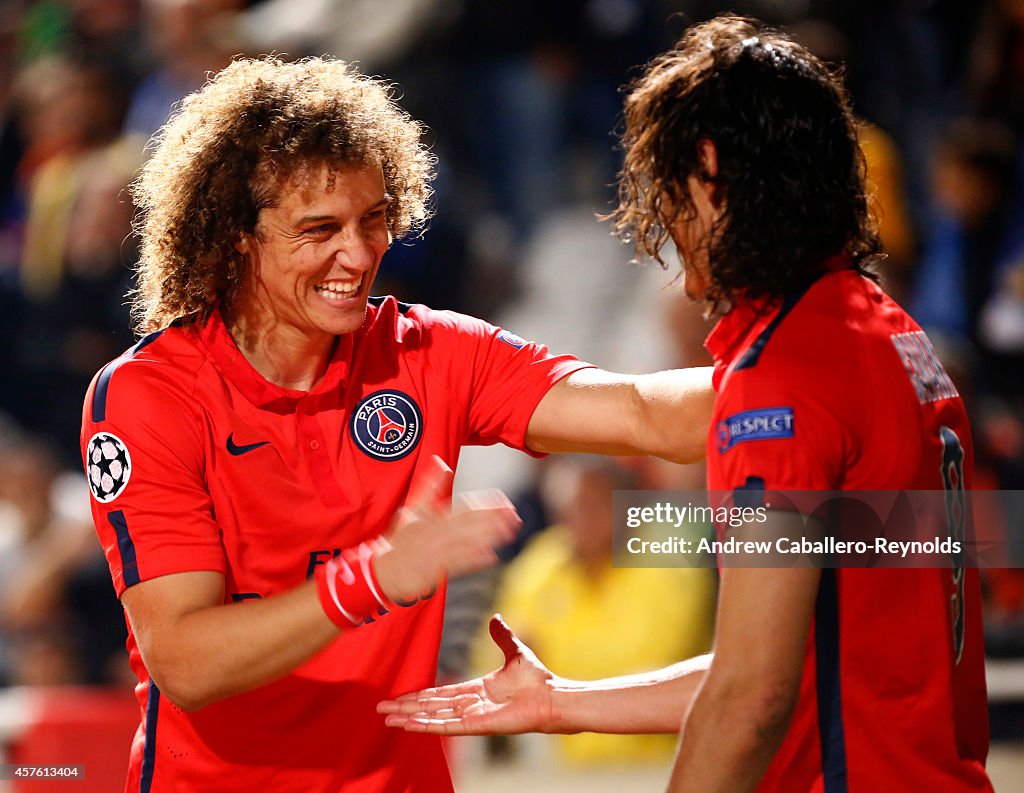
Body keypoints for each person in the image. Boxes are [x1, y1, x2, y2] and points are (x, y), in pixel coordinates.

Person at [379, 15, 995, 793]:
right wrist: (563, 701)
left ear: (710, 173)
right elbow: (794, 662)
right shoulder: (887, 338)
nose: (664, 222)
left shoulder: (782, 385)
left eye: (667, 188)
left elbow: (752, 696)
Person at [79, 56, 715, 792]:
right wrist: (371, 579)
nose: (359, 253)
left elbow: (644, 413)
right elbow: (185, 662)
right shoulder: (147, 394)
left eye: (374, 219)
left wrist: (808, 366)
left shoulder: (431, 351)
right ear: (236, 236)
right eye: (320, 229)